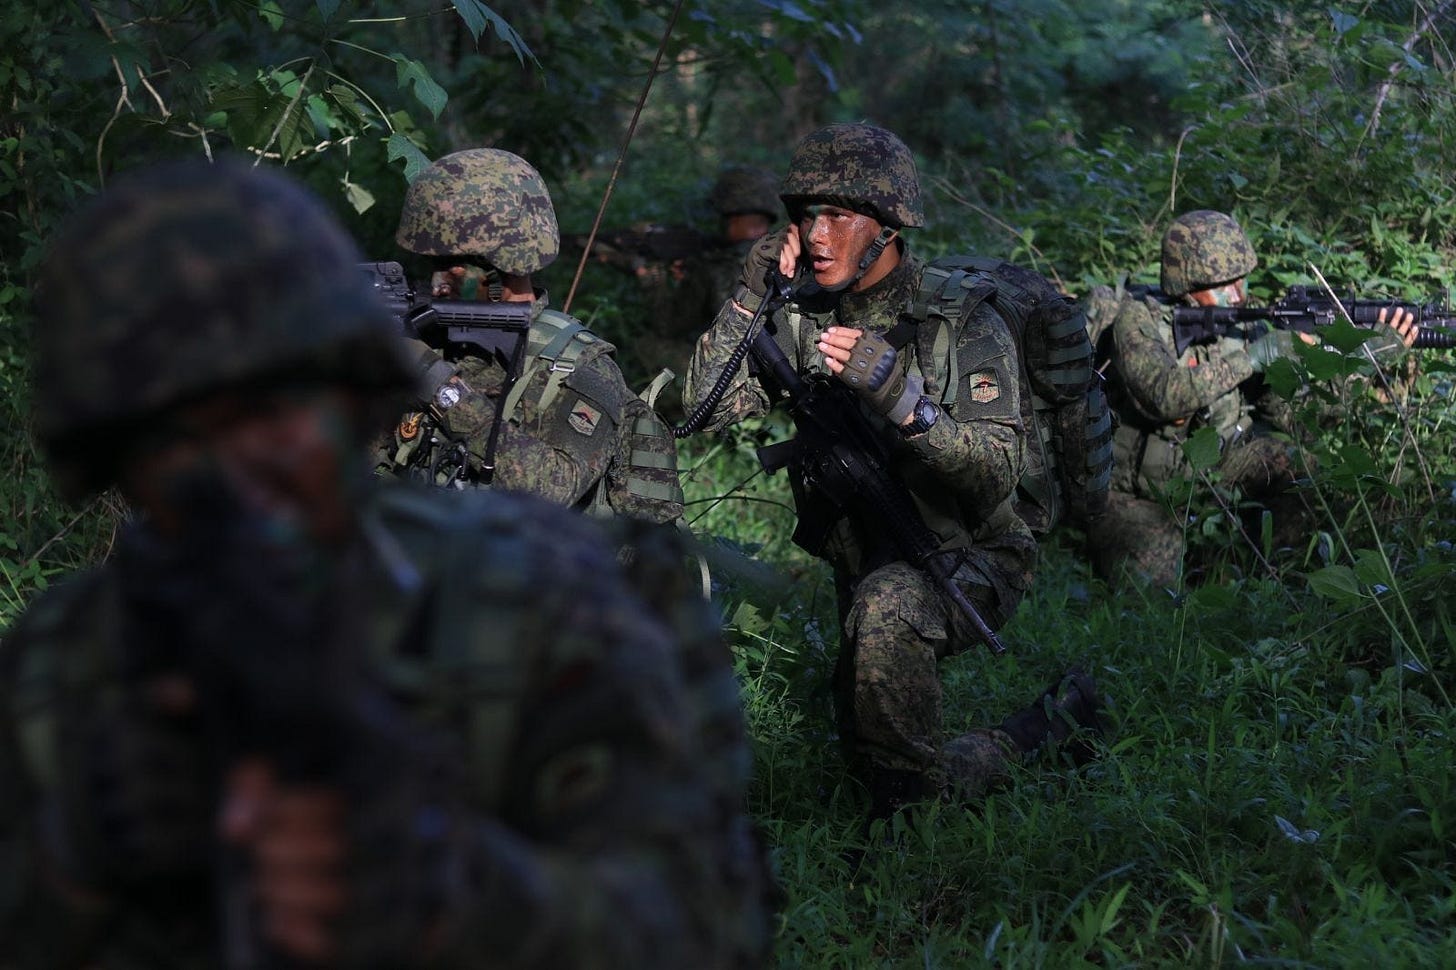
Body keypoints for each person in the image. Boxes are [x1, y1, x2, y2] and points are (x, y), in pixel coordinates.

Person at [0, 157, 772, 967]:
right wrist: (76, 865)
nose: (236, 465)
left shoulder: (546, 606)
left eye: (274, 409)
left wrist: (457, 890)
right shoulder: (67, 663)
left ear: (342, 399)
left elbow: (701, 926)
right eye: (174, 437)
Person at [681, 123, 1100, 820]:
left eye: (837, 216)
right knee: (874, 760)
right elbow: (697, 409)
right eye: (806, 215)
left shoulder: (961, 320)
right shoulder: (800, 317)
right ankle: (1043, 730)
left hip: (969, 555)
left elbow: (995, 474)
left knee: (888, 640)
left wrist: (905, 402)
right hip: (867, 556)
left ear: (889, 224)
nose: (815, 234)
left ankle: (908, 845)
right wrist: (751, 293)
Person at [1087, 209, 1417, 587]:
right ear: (1185, 285)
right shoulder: (1139, 321)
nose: (1237, 294)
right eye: (1223, 284)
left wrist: (1359, 362)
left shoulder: (1245, 323)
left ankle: (1279, 579)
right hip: (1138, 497)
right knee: (1156, 601)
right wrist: (1255, 356)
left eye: (1240, 280)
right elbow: (1164, 394)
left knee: (1297, 466)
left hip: (1212, 476)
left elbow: (1293, 418)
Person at [381, 147, 685, 525]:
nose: (436, 284)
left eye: (447, 268)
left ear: (495, 272)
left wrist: (442, 387)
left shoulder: (577, 367)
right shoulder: (437, 339)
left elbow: (554, 489)